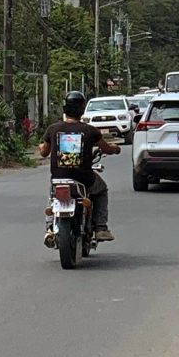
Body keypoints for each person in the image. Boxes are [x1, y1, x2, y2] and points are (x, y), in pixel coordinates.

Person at [38, 91, 121, 243]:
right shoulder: (90, 130)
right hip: (84, 179)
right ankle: (101, 227)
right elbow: (107, 148)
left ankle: (49, 228)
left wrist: (40, 146)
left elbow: (44, 152)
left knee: (53, 195)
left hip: (59, 177)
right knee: (102, 190)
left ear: (65, 108)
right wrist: (115, 149)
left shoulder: (53, 129)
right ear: (82, 109)